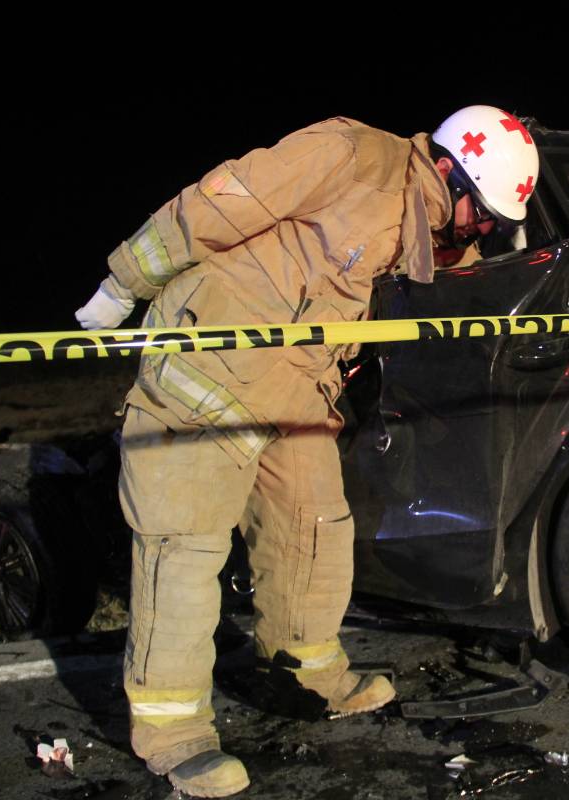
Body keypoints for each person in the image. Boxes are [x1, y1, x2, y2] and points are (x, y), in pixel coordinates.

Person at [75, 105, 539, 798]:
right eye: (484, 218)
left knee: (314, 528)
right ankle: (174, 734)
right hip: (211, 364)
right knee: (185, 544)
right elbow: (221, 203)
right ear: (450, 171)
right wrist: (120, 286)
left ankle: (306, 671)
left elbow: (427, 281)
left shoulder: (429, 224)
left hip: (296, 386)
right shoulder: (351, 155)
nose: (481, 234)